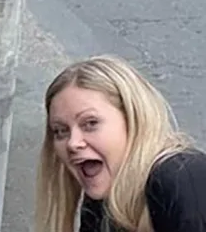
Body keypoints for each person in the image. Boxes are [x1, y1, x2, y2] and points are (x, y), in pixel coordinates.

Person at [36, 55, 206, 231]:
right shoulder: (101, 199)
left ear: (134, 119)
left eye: (91, 123)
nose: (73, 143)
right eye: (61, 131)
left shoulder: (182, 177)